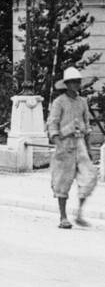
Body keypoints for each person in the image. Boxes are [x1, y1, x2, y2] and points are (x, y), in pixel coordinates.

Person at [47, 66, 98, 228]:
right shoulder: (59, 102)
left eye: (77, 82)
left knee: (89, 176)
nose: (76, 84)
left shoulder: (82, 102)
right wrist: (57, 142)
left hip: (80, 143)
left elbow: (87, 125)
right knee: (63, 180)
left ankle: (79, 213)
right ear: (67, 84)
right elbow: (52, 123)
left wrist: (89, 149)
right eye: (72, 82)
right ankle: (63, 217)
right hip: (65, 143)